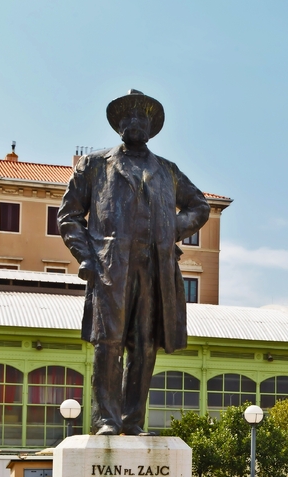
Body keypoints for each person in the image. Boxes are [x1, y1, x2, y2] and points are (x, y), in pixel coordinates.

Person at [58, 90, 210, 435]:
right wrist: (86, 256)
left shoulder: (167, 171)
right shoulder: (95, 165)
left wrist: (169, 229)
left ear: (151, 126)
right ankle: (107, 420)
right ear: (119, 125)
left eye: (142, 117)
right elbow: (68, 217)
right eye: (128, 117)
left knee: (145, 344)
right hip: (110, 266)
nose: (135, 123)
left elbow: (199, 206)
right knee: (108, 343)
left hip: (154, 267)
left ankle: (132, 420)